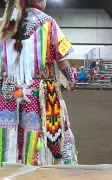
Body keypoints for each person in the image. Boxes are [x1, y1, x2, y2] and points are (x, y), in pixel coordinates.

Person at [0, 0, 78, 166]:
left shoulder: (4, 23)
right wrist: (71, 79)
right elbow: (62, 58)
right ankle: (36, 170)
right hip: (39, 93)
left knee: (7, 133)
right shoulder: (47, 23)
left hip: (8, 91)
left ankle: (7, 169)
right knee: (45, 134)